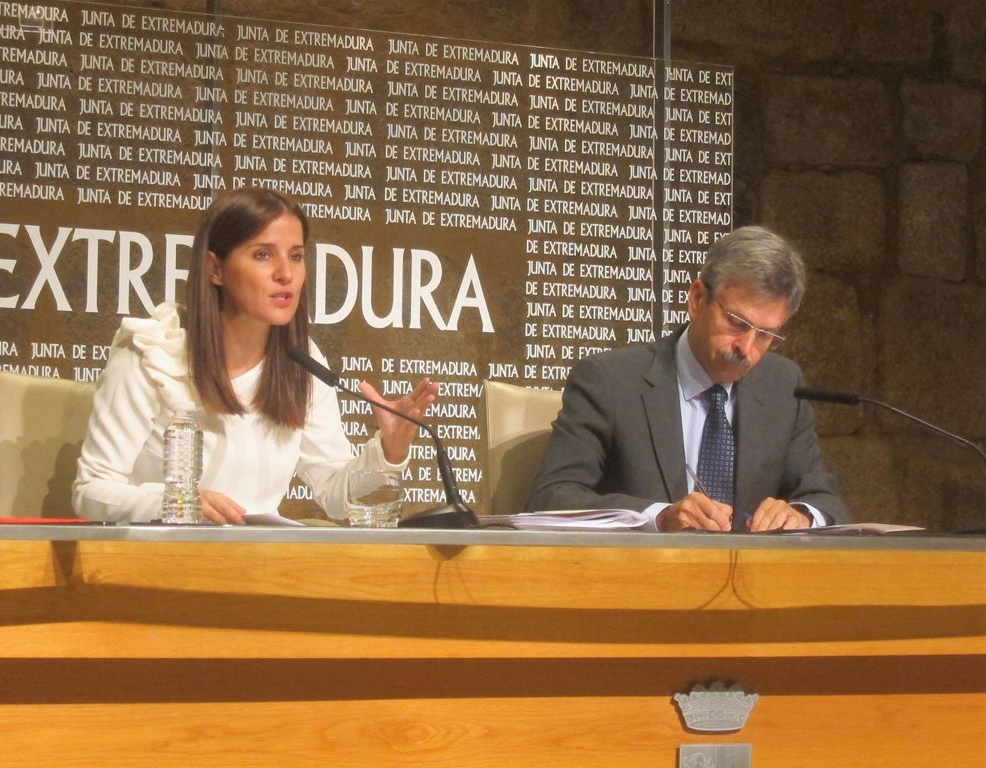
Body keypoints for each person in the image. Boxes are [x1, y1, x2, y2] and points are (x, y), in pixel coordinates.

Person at [73, 187, 438, 524]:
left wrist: (389, 450)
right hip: (164, 559)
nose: (286, 274)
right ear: (216, 269)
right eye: (263, 255)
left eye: (296, 256)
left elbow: (332, 492)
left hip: (261, 560)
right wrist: (176, 502)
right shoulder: (152, 352)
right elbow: (90, 490)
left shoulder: (302, 362)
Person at [526, 226, 849, 532]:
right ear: (697, 299)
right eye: (737, 323)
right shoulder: (610, 381)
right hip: (643, 569)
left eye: (766, 335)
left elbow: (824, 499)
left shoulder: (782, 384)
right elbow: (551, 498)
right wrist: (659, 517)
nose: (746, 348)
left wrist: (802, 515)